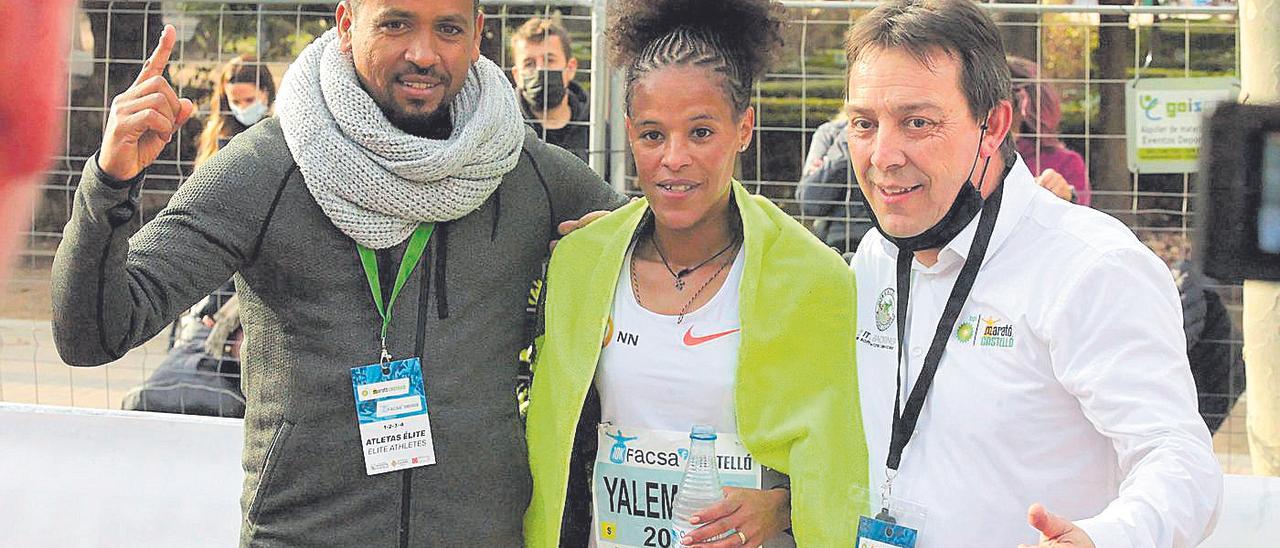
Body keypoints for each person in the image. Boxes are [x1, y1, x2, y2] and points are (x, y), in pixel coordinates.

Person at [50, 0, 624, 543]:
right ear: (347, 24)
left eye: (448, 28)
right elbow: (92, 333)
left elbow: (670, 258)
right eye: (396, 24)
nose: (424, 53)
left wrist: (608, 255)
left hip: (481, 533)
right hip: (303, 534)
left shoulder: (522, 169)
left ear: (476, 37)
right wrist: (110, 182)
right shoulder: (267, 167)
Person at [842, 1, 1221, 546]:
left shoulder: (1091, 267)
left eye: (917, 122)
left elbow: (1180, 458)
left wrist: (1101, 538)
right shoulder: (876, 257)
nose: (883, 154)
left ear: (993, 125)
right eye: (863, 124)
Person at [523, 1, 867, 546]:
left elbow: (845, 463)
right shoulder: (582, 265)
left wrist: (782, 507)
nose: (674, 158)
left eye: (701, 132)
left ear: (744, 128)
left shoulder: (812, 280)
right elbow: (557, 443)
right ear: (630, 132)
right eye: (653, 135)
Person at [1008, 55, 1091, 206]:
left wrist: (1068, 196)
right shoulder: (971, 155)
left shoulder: (1066, 162)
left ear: (1022, 101)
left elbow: (1082, 219)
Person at [511, 16, 590, 162]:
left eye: (550, 60)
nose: (541, 69)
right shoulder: (503, 128)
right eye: (529, 64)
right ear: (516, 76)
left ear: (570, 68)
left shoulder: (596, 129)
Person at [796, 114, 873, 253]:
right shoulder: (830, 133)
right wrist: (847, 139)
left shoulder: (890, 132)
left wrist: (825, 165)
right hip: (838, 239)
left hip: (886, 238)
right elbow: (809, 203)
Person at [195, 54, 277, 166]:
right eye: (235, 102)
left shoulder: (279, 129)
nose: (242, 108)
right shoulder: (217, 130)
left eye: (249, 100)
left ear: (266, 92)